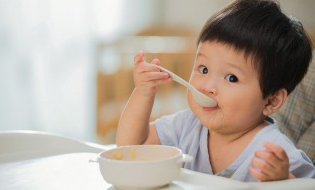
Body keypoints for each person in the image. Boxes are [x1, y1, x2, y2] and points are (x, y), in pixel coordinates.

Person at [116, 0, 315, 182]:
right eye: (203, 69)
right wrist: (143, 94)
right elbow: (132, 147)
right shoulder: (187, 126)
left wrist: (283, 180)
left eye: (232, 78)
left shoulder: (273, 151)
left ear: (271, 101)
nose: (207, 86)